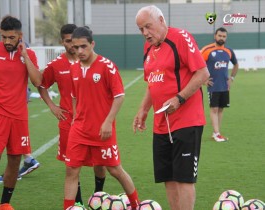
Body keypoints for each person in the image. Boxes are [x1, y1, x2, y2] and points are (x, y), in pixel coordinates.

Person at [133, 5, 210, 210]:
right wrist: (143, 109)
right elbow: (153, 83)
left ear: (161, 20)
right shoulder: (148, 48)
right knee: (168, 177)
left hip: (187, 120)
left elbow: (203, 73)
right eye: (141, 29)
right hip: (161, 124)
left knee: (184, 179)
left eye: (148, 27)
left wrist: (179, 98)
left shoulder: (181, 38)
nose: (145, 33)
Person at [63, 26, 139, 210]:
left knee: (114, 169)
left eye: (83, 46)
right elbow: (74, 96)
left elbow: (119, 96)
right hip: (79, 129)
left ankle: (136, 205)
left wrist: (107, 122)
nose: (79, 51)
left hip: (102, 130)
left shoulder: (107, 66)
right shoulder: (73, 68)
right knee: (72, 170)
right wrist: (75, 118)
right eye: (76, 47)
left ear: (92, 44)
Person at [38, 24, 106, 206]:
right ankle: (78, 203)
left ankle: (98, 197)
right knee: (72, 167)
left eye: (74, 42)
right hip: (69, 123)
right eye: (68, 42)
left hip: (93, 122)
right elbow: (41, 85)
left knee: (100, 163)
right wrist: (52, 106)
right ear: (63, 42)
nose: (72, 47)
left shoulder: (94, 62)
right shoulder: (56, 65)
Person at [0, 15, 42, 210]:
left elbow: (38, 81)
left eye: (11, 37)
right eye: (4, 37)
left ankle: (4, 204)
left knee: (15, 159)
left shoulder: (29, 55)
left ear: (20, 35)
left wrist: (25, 55)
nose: (7, 42)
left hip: (19, 116)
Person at [201, 27, 239, 142]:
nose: (221, 38)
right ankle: (217, 134)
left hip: (224, 86)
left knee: (221, 109)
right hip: (213, 86)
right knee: (214, 109)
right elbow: (196, 65)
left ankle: (216, 133)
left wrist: (231, 78)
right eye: (219, 36)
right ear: (215, 36)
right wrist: (203, 81)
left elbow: (236, 65)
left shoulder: (228, 51)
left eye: (224, 36)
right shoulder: (207, 50)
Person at [0, 87, 40, 183]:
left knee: (5, 130)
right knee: (11, 131)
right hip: (15, 93)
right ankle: (28, 160)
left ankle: (15, 171)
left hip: (10, 95)